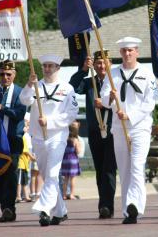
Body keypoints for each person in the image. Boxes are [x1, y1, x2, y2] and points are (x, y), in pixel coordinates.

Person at [100, 37, 157, 224]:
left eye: (131, 50)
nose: (127, 54)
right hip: (118, 128)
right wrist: (109, 97)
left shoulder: (147, 74)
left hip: (139, 127)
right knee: (124, 170)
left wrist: (130, 115)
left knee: (137, 166)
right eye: (124, 50)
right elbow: (103, 99)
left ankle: (135, 205)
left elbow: (150, 103)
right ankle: (128, 211)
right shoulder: (112, 73)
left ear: (137, 52)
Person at [20, 54, 78, 226]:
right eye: (45, 66)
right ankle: (60, 211)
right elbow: (24, 100)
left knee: (53, 173)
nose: (47, 69)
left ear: (57, 68)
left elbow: (71, 114)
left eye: (50, 66)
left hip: (57, 137)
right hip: (38, 137)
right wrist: (30, 84)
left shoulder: (67, 89)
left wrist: (51, 122)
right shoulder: (36, 86)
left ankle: (44, 209)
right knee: (47, 175)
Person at [69, 50, 117, 218]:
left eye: (104, 62)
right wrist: (83, 69)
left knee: (109, 169)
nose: (101, 66)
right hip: (95, 131)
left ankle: (107, 205)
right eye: (98, 63)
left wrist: (104, 104)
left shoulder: (115, 81)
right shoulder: (90, 82)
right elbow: (72, 86)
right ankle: (103, 205)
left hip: (112, 131)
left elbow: (121, 103)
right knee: (99, 170)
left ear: (110, 63)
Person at [0, 60, 27, 222]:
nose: (5, 77)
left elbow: (19, 114)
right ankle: (4, 208)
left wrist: (1, 108)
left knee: (11, 174)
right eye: (2, 74)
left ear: (14, 75)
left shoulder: (20, 92)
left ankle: (10, 208)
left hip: (13, 140)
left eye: (8, 74)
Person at [61, 121, 82, 200]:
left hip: (65, 159)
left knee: (66, 178)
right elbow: (78, 151)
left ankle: (64, 194)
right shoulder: (75, 140)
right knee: (72, 178)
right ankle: (72, 194)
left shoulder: (65, 139)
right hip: (73, 159)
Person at [16, 116, 34, 203]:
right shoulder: (22, 137)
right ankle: (18, 196)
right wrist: (32, 157)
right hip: (20, 163)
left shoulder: (26, 136)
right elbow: (25, 150)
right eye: (26, 126)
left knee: (25, 181)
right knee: (19, 181)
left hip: (25, 164)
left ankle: (26, 196)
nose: (27, 128)